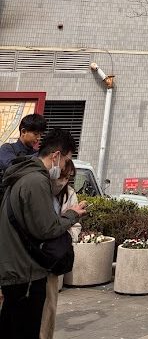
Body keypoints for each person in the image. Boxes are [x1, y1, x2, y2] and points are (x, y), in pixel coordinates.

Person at [0, 128, 88, 339]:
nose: (65, 167)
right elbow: (47, 228)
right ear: (56, 155)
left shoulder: (21, 176)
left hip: (15, 269)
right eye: (66, 161)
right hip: (27, 273)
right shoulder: (36, 181)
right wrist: (72, 215)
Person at [40, 158, 81, 339]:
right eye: (62, 175)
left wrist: (65, 239)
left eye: (68, 177)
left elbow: (75, 226)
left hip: (52, 259)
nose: (63, 180)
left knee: (49, 307)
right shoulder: (40, 188)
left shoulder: (69, 194)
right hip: (31, 257)